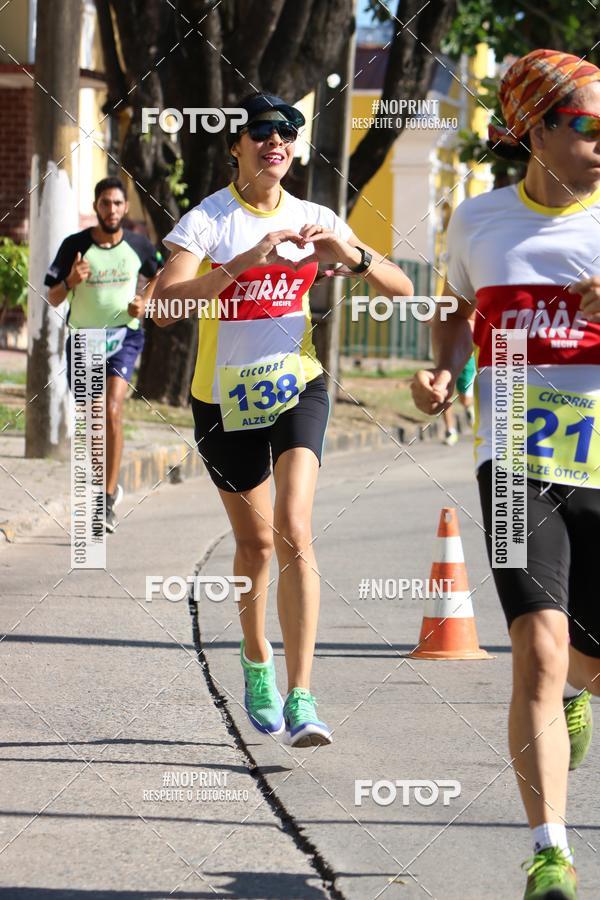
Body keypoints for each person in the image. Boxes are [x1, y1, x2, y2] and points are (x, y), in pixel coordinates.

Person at [151, 92, 413, 747]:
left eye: (289, 132)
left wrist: (348, 256)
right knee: (257, 545)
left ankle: (303, 696)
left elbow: (402, 289)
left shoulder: (314, 215)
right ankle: (255, 656)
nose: (278, 141)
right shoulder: (207, 221)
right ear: (235, 146)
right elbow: (163, 308)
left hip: (298, 388)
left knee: (295, 527)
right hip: (223, 401)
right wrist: (244, 266)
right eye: (263, 131)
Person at [412, 49, 600, 899]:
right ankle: (551, 853)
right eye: (588, 124)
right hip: (518, 454)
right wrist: (441, 369)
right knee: (537, 646)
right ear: (536, 130)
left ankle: (576, 687)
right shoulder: (478, 222)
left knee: (577, 663)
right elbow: (457, 313)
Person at [45, 177, 163, 532]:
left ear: (125, 208)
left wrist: (145, 299)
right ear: (96, 206)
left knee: (112, 410)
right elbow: (51, 296)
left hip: (124, 335)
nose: (111, 209)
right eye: (104, 203)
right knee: (93, 422)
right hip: (84, 339)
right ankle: (102, 488)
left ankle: (107, 499)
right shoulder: (75, 246)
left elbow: (161, 272)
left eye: (117, 203)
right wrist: (70, 282)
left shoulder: (139, 244)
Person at [441, 352, 475, 445]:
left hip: (467, 360)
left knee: (465, 401)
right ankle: (450, 431)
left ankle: (469, 410)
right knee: (445, 395)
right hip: (446, 360)